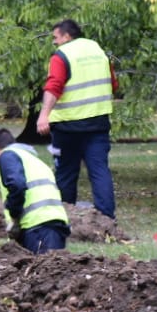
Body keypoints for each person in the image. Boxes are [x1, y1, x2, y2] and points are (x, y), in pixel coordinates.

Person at [36, 19, 117, 219]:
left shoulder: (61, 56)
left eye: (56, 37)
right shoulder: (98, 51)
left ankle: (65, 214)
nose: (54, 42)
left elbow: (54, 86)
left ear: (66, 36)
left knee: (66, 172)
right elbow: (113, 84)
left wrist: (44, 115)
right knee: (99, 170)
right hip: (98, 122)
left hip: (67, 126)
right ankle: (106, 218)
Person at [0, 127, 70, 253]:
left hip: (36, 226)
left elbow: (17, 185)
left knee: (43, 269)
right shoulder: (32, 160)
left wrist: (14, 215)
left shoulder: (7, 155)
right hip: (54, 223)